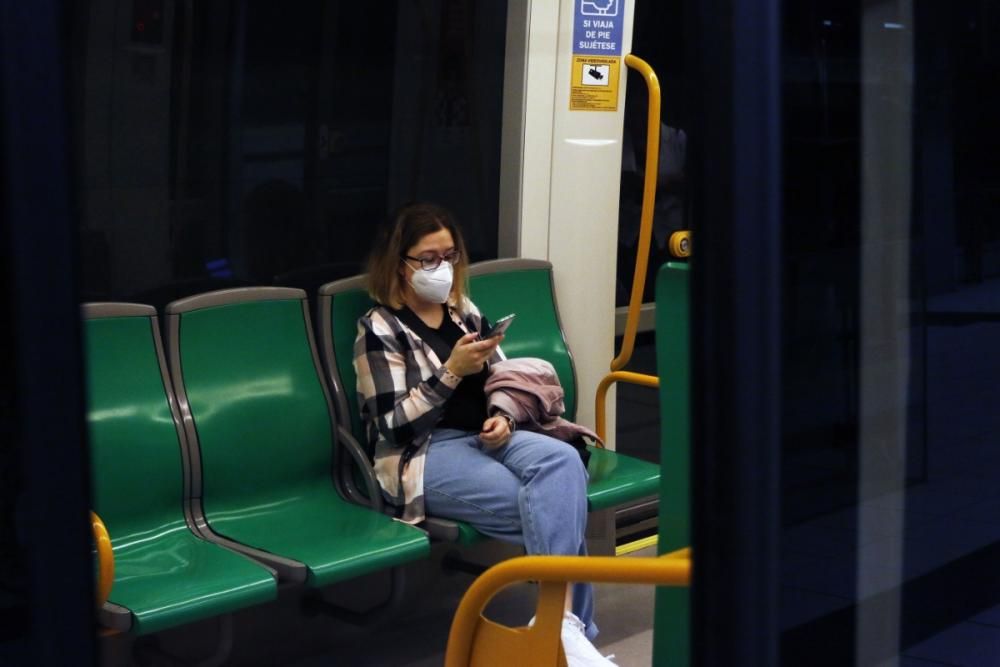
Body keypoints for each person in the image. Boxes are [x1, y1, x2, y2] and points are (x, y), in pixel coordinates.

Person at [354, 202, 614, 666]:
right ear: (399, 265)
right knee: (551, 503)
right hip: (426, 452)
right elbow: (390, 428)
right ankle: (570, 638)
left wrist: (505, 417)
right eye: (428, 259)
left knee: (564, 464)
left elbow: (502, 379)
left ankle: (559, 630)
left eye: (449, 256)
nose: (442, 269)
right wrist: (450, 372)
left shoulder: (463, 311)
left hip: (487, 436)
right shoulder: (378, 329)